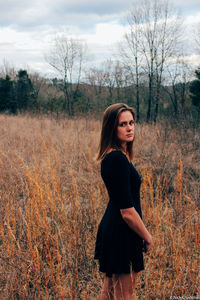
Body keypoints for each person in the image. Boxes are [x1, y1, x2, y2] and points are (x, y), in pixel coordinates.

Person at [94, 103, 153, 300]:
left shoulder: (117, 156)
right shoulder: (116, 159)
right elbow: (127, 211)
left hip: (117, 231)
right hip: (121, 234)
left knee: (109, 292)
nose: (129, 128)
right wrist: (147, 235)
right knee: (124, 296)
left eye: (131, 122)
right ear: (112, 128)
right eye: (122, 124)